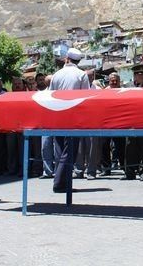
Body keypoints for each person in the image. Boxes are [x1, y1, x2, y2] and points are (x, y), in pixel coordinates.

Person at [50, 48, 90, 193]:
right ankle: (60, 183)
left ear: (67, 58)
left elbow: (50, 95)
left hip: (57, 115)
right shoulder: (81, 75)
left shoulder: (56, 75)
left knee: (61, 150)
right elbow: (86, 97)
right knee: (70, 151)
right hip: (73, 116)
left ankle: (62, 181)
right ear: (78, 61)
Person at [123, 64, 143, 181]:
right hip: (131, 122)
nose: (141, 76)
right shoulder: (128, 87)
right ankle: (130, 172)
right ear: (134, 75)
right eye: (138, 74)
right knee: (130, 147)